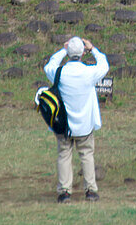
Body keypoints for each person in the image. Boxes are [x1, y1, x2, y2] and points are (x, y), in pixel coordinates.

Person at [43, 35, 109, 203]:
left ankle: (65, 191)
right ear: (82, 54)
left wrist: (62, 50)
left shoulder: (59, 73)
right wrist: (93, 48)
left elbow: (49, 65)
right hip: (85, 125)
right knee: (87, 155)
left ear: (69, 53)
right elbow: (104, 65)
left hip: (64, 125)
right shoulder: (89, 72)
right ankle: (91, 191)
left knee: (64, 155)